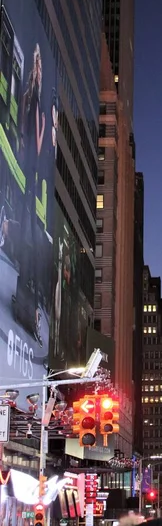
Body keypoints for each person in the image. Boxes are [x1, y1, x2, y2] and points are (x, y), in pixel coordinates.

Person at [0, 44, 45, 345]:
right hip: (29, 168)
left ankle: (26, 295)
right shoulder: (34, 99)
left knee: (27, 227)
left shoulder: (32, 98)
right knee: (28, 231)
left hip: (26, 167)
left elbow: (32, 137)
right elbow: (38, 141)